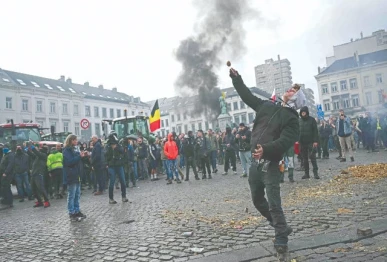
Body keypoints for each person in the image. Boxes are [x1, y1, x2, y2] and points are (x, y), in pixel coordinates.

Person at [230, 67, 299, 261]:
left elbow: (284, 142)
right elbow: (247, 96)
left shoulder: (293, 120)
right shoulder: (267, 106)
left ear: (295, 101)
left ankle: (281, 240)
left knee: (274, 203)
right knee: (257, 200)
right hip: (255, 163)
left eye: (294, 92)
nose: (289, 91)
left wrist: (266, 150)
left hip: (271, 163)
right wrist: (237, 79)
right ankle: (281, 226)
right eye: (290, 89)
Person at [63, 134, 87, 220]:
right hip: (71, 175)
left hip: (77, 175)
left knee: (77, 194)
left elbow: (77, 158)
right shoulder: (66, 150)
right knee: (72, 195)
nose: (76, 142)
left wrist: (82, 156)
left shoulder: (74, 150)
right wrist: (79, 157)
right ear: (71, 140)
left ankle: (77, 211)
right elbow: (69, 162)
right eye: (75, 140)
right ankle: (71, 212)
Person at [105, 135, 129, 204]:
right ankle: (111, 198)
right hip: (111, 166)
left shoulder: (119, 146)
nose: (113, 145)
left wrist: (116, 148)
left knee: (123, 181)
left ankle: (124, 196)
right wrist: (106, 164)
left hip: (119, 165)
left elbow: (123, 152)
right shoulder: (108, 147)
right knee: (111, 182)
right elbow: (105, 155)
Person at [299, 106, 320, 179]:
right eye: (302, 112)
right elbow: (297, 131)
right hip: (302, 143)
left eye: (304, 111)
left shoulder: (312, 120)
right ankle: (306, 174)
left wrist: (315, 141)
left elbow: (315, 131)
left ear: (306, 112)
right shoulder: (299, 121)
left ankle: (315, 173)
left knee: (313, 158)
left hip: (311, 142)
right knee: (304, 159)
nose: (303, 113)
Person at [0, 144, 14, 209]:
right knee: (4, 187)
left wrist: (6, 172)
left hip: (7, 174)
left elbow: (10, 165)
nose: (3, 149)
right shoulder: (5, 155)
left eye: (4, 148)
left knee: (7, 187)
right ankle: (5, 200)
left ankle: (9, 201)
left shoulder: (10, 155)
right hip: (3, 173)